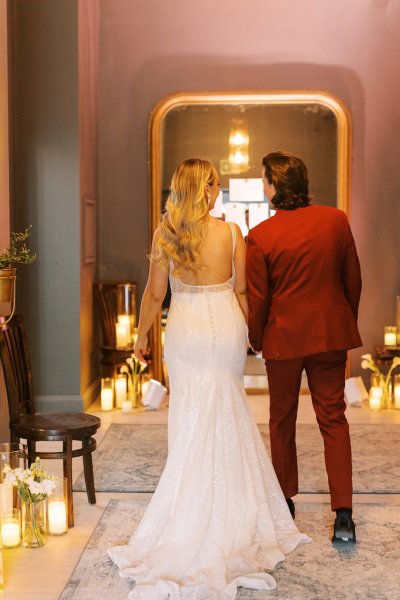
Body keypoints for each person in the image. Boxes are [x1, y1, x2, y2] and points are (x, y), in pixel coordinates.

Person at [108, 158, 310, 599]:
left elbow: (155, 293)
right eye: (214, 185)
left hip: (184, 328)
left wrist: (142, 334)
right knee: (227, 403)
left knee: (190, 410)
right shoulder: (231, 233)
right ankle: (232, 512)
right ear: (206, 190)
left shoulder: (166, 232)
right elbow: (241, 292)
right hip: (224, 324)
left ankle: (188, 505)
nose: (217, 192)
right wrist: (253, 334)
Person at [246, 151, 362, 544]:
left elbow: (259, 299)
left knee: (281, 420)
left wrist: (256, 338)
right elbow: (353, 280)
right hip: (330, 334)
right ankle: (343, 515)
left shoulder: (261, 235)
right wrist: (343, 320)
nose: (263, 187)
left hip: (284, 339)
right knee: (334, 419)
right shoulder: (336, 220)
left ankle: (285, 502)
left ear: (276, 186)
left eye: (264, 180)